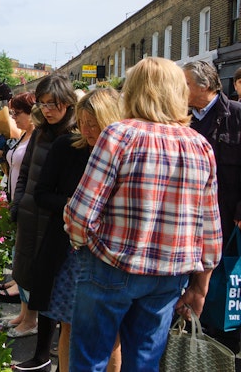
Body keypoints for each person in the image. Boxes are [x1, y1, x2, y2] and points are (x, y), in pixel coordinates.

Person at [63, 57, 222, 371]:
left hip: (111, 265)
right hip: (168, 276)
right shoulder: (200, 146)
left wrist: (84, 244)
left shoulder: (119, 135)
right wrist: (200, 286)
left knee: (89, 361)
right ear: (178, 93)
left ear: (132, 91)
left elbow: (81, 214)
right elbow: (211, 230)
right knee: (145, 363)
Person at [30, 88, 122, 372]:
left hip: (112, 256)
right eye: (83, 122)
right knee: (69, 326)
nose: (88, 130)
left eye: (95, 123)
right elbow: (41, 194)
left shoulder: (127, 152)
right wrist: (73, 204)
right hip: (71, 253)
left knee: (112, 335)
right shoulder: (67, 147)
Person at [10, 74, 77, 371]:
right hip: (32, 213)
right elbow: (25, 171)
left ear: (67, 103)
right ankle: (41, 353)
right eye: (43, 103)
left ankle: (45, 355)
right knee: (34, 280)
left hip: (57, 222)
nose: (47, 109)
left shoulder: (75, 135)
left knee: (53, 287)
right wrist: (20, 201)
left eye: (53, 104)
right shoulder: (40, 132)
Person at [183, 60, 241, 352]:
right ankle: (197, 328)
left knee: (225, 276)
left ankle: (225, 335)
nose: (180, 90)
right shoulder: (182, 119)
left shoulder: (236, 115)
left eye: (186, 84)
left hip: (228, 213)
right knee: (197, 274)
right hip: (192, 216)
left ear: (204, 85)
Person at [0, 93, 39, 337]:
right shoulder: (24, 135)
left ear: (31, 113)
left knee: (24, 262)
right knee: (18, 261)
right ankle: (24, 313)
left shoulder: (38, 137)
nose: (13, 117)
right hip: (17, 204)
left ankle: (30, 319)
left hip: (28, 208)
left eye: (17, 113)